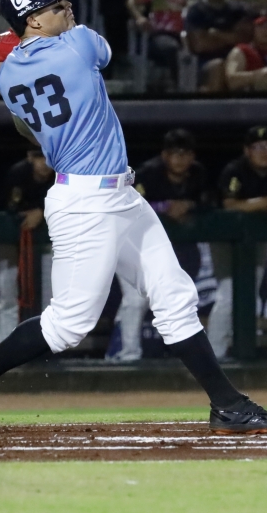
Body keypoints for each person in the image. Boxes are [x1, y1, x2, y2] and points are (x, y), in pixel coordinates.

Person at [0, 0, 267, 436]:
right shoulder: (79, 44)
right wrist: (30, 47)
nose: (68, 9)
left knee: (174, 296)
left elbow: (27, 129)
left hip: (120, 194)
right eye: (55, 7)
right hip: (85, 202)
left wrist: (21, 53)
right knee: (69, 325)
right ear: (31, 20)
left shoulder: (9, 77)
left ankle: (228, 404)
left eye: (64, 2)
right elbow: (99, 53)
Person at [117, 129, 212, 361]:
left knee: (173, 300)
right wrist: (164, 207)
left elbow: (211, 203)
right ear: (165, 155)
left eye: (185, 153)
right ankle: (129, 355)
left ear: (192, 156)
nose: (180, 158)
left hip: (168, 249)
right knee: (135, 299)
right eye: (174, 153)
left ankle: (176, 354)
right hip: (131, 244)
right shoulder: (147, 174)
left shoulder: (199, 174)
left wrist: (188, 205)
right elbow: (126, 205)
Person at [210, 126, 267, 360]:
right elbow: (229, 205)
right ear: (247, 151)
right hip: (225, 238)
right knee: (228, 295)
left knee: (251, 296)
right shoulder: (235, 170)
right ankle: (214, 354)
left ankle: (241, 351)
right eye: (258, 147)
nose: (265, 152)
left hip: (254, 241)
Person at [0, 147, 56, 344]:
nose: (44, 162)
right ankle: (5, 347)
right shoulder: (17, 174)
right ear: (30, 157)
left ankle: (46, 346)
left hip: (49, 242)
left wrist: (42, 210)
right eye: (39, 156)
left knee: (51, 297)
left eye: (49, 156)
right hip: (10, 240)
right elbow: (8, 208)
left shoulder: (62, 175)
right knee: (8, 293)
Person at [127, 0, 205, 89]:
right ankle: (180, 88)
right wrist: (139, 18)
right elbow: (132, 1)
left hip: (194, 34)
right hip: (163, 34)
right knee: (171, 48)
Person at [184, 0, 252, 91]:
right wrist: (231, 37)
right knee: (218, 66)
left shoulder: (238, 10)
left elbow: (245, 39)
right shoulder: (197, 11)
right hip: (206, 64)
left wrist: (216, 35)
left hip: (238, 60)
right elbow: (200, 45)